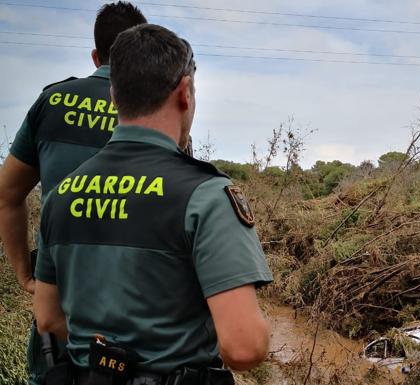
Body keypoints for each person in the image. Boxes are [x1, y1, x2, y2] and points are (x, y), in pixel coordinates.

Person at [33, 24, 273, 385]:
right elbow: (244, 348)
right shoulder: (206, 195)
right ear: (185, 93)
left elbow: (48, 319)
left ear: (115, 96)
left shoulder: (62, 195)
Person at [0, 3, 146, 384]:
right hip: (137, 305)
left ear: (96, 55)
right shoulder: (156, 116)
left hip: (57, 298)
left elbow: (7, 195)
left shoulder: (52, 102)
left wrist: (25, 277)